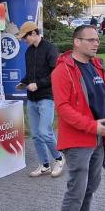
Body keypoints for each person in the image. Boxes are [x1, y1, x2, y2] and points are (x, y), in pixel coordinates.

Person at [50, 24, 105, 211]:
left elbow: (102, 99)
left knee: (91, 186)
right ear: (76, 42)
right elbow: (64, 109)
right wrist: (93, 127)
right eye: (90, 40)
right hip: (79, 139)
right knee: (76, 190)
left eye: (97, 39)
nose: (96, 43)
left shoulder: (98, 66)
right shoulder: (62, 71)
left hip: (99, 137)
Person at [16, 21, 64, 178]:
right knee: (36, 135)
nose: (24, 41)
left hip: (46, 97)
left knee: (45, 131)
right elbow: (30, 73)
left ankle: (59, 158)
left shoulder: (50, 49)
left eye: (25, 37)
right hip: (32, 99)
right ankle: (44, 165)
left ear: (34, 34)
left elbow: (55, 74)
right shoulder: (28, 52)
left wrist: (39, 84)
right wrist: (24, 82)